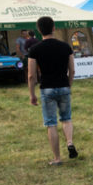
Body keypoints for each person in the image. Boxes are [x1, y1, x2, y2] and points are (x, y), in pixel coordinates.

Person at [28, 16, 78, 166]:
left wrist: (32, 94)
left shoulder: (34, 49)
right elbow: (72, 70)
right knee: (66, 118)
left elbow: (31, 75)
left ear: (39, 30)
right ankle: (69, 142)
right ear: (54, 28)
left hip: (47, 88)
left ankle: (57, 158)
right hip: (63, 85)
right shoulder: (66, 47)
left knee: (51, 123)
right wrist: (68, 85)